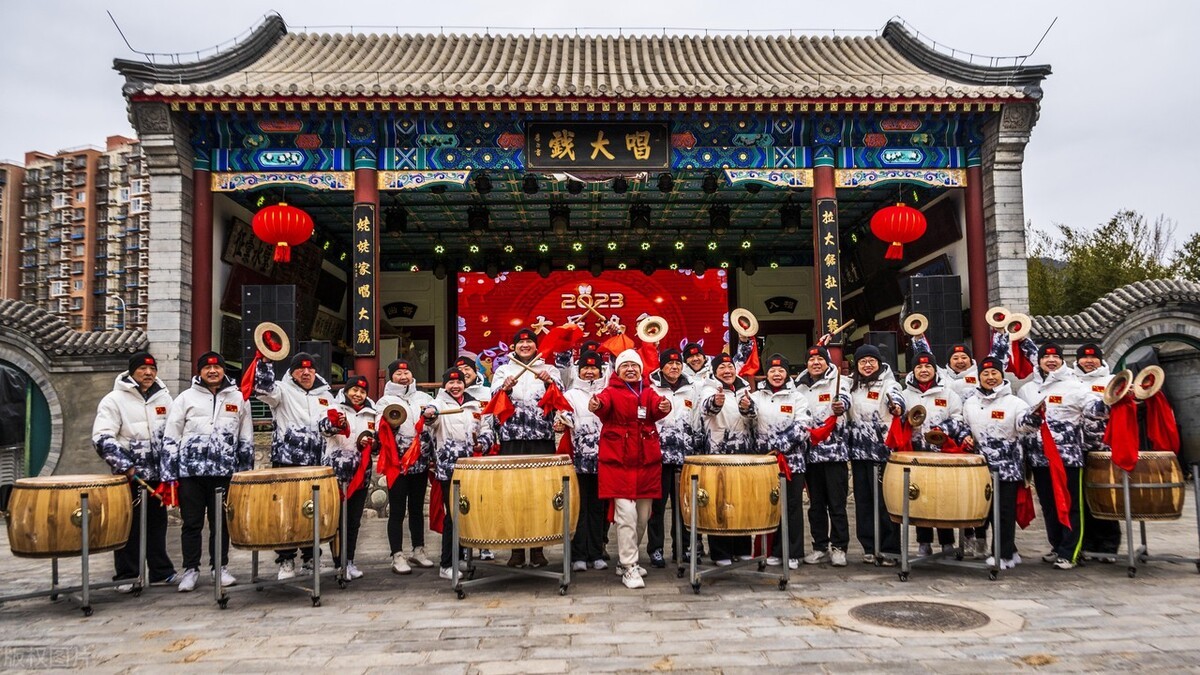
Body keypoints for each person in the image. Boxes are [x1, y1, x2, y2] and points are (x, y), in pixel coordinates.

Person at [162, 352, 253, 592]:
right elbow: (171, 436)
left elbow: (245, 438)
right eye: (207, 368)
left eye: (217, 367)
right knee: (191, 523)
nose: (212, 371)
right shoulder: (185, 398)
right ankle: (190, 569)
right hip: (190, 472)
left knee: (220, 523)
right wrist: (169, 474)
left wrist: (245, 473)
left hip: (223, 472)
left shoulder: (238, 398)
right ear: (200, 371)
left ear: (223, 370)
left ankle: (219, 567)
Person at [92, 351, 177, 591]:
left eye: (152, 369)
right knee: (128, 526)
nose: (148, 373)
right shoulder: (113, 400)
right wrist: (125, 465)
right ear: (132, 371)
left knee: (157, 525)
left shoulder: (164, 398)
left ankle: (161, 571)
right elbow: (102, 437)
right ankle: (127, 575)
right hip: (130, 476)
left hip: (157, 475)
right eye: (142, 369)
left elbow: (173, 432)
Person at [588, 349, 671, 589]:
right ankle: (629, 565)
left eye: (634, 365)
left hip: (645, 463)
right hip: (619, 463)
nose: (630, 369)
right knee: (626, 515)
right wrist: (596, 405)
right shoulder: (610, 391)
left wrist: (664, 406)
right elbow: (602, 405)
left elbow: (658, 408)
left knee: (643, 516)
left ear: (641, 369)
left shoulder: (648, 391)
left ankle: (625, 560)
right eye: (625, 366)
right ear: (618, 370)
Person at [254, 351, 335, 579]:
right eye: (301, 369)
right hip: (287, 462)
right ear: (292, 372)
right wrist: (266, 362)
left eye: (310, 369)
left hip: (316, 464)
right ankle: (286, 560)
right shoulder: (282, 390)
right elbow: (263, 389)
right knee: (286, 513)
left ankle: (311, 558)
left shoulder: (325, 395)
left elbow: (328, 425)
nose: (306, 373)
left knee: (313, 512)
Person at [490, 327, 563, 568]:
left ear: (535, 346)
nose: (525, 346)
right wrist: (506, 389)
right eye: (520, 343)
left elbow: (559, 399)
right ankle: (517, 550)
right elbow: (494, 400)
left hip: (541, 439)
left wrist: (549, 383)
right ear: (514, 347)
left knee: (540, 494)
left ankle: (538, 548)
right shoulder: (503, 370)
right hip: (511, 440)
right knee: (513, 495)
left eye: (529, 342)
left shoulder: (549, 369)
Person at [1016, 341, 1091, 570]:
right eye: (1046, 357)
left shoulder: (1075, 386)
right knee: (1048, 505)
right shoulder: (1027, 390)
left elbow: (1095, 408)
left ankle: (1071, 552)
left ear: (1062, 360)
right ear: (1038, 361)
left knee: (1071, 504)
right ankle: (1057, 546)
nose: (1051, 360)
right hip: (1039, 458)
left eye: (1055, 357)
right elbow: (1021, 422)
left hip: (1067, 457)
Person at [961, 356, 1041, 569]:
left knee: (1004, 512)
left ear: (1001, 375)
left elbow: (1024, 425)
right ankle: (1010, 550)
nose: (990, 377)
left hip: (1007, 467)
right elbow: (963, 425)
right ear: (979, 377)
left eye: (994, 373)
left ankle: (1003, 555)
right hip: (980, 468)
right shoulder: (970, 402)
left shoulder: (1014, 403)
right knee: (986, 511)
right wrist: (965, 437)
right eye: (985, 373)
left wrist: (1033, 418)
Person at [900, 350, 968, 556]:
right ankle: (924, 541)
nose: (924, 370)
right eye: (919, 367)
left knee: (942, 497)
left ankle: (947, 542)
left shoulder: (947, 393)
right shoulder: (905, 394)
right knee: (920, 496)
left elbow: (958, 417)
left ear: (934, 369)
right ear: (913, 370)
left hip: (942, 452)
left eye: (928, 366)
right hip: (917, 452)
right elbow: (898, 419)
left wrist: (942, 430)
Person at [420, 368, 484, 579]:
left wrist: (483, 442)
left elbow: (485, 429)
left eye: (459, 383)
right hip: (449, 470)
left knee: (467, 513)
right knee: (453, 515)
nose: (455, 386)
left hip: (472, 469)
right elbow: (430, 417)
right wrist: (429, 415)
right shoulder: (439, 404)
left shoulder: (474, 405)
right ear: (444, 385)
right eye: (451, 383)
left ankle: (461, 556)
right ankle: (446, 563)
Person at [749, 353, 811, 569]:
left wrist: (780, 445)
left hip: (792, 462)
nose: (777, 374)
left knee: (792, 507)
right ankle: (772, 551)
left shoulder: (797, 398)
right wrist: (745, 407)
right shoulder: (756, 396)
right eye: (773, 370)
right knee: (770, 507)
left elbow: (804, 425)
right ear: (766, 373)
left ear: (787, 373)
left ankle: (793, 552)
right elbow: (749, 418)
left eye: (781, 370)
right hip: (765, 463)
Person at [695, 352, 756, 565]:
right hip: (718, 455)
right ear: (714, 371)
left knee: (742, 501)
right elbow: (707, 408)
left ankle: (742, 547)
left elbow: (753, 416)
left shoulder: (743, 388)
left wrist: (749, 408)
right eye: (722, 368)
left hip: (742, 454)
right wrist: (716, 401)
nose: (727, 371)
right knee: (719, 503)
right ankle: (720, 552)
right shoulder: (709, 388)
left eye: (730, 367)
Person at [375, 359, 435, 574]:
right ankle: (397, 554)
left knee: (417, 508)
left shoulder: (424, 398)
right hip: (397, 463)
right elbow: (379, 428)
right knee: (397, 510)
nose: (403, 377)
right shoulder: (384, 401)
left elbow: (434, 423)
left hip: (419, 461)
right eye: (399, 374)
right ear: (391, 377)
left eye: (407, 373)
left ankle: (418, 550)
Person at [844, 344, 902, 566]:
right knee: (864, 502)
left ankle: (890, 548)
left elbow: (897, 399)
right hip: (859, 453)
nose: (867, 365)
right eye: (863, 362)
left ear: (878, 363)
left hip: (882, 452)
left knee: (885, 502)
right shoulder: (852, 385)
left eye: (871, 361)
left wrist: (897, 407)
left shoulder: (889, 383)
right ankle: (869, 546)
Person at [795, 346, 850, 567]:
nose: (816, 363)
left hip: (834, 454)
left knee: (837, 504)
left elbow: (844, 400)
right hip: (810, 456)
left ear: (827, 362)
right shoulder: (799, 387)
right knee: (816, 505)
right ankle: (819, 546)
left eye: (820, 359)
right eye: (811, 360)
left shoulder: (839, 381)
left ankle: (839, 547)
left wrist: (840, 406)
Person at [555, 351, 609, 571]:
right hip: (578, 460)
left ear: (600, 370)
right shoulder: (571, 395)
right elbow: (563, 416)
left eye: (593, 368)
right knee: (578, 508)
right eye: (585, 368)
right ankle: (578, 555)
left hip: (603, 459)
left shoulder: (607, 392)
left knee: (598, 508)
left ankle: (596, 553)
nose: (589, 372)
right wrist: (561, 421)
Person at [318, 375, 376, 580]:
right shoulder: (334, 408)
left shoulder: (372, 413)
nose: (358, 394)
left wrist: (371, 442)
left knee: (353, 521)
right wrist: (337, 424)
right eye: (354, 390)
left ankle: (349, 560)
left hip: (360, 475)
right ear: (346, 391)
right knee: (337, 521)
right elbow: (324, 428)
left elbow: (377, 441)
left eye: (362, 391)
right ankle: (338, 562)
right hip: (336, 475)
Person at [647, 348, 698, 567]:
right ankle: (656, 549)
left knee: (684, 506)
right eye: (670, 364)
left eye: (678, 364)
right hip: (659, 457)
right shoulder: (651, 387)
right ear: (662, 367)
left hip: (684, 457)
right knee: (657, 507)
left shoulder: (691, 389)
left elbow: (697, 420)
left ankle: (683, 548)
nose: (674, 367)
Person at [1073, 342, 1122, 561]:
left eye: (1093, 357)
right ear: (1077, 360)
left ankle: (1109, 545)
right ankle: (1087, 543)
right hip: (1078, 450)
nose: (1089, 361)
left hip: (1105, 450)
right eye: (1084, 357)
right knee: (1083, 498)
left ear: (1100, 360)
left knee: (1106, 496)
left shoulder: (1112, 381)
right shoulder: (1071, 382)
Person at [454, 353, 498, 561]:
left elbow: (493, 422)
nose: (464, 373)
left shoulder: (487, 393)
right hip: (460, 458)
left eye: (467, 369)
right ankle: (464, 544)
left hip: (485, 454)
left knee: (485, 501)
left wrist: (484, 443)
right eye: (459, 371)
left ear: (475, 371)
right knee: (463, 502)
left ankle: (485, 544)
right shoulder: (449, 396)